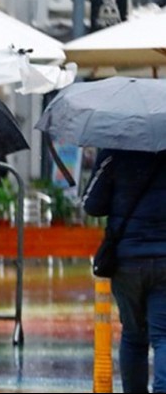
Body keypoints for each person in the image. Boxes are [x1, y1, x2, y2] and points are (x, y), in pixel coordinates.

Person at [83, 149, 166, 393]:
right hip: (164, 259)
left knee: (133, 336)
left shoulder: (113, 148)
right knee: (163, 336)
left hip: (126, 259)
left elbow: (92, 205)